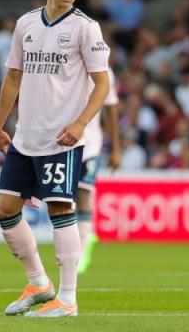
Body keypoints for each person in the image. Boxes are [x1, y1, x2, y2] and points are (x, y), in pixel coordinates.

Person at [0, 0, 110, 317]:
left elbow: (103, 85)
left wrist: (80, 124)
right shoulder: (26, 24)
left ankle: (68, 298)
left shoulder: (86, 28)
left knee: (61, 208)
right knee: (5, 209)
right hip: (25, 137)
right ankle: (39, 283)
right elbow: (13, 76)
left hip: (62, 139)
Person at [76, 67, 120, 274]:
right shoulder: (65, 63)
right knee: (64, 199)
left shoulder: (104, 72)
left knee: (83, 194)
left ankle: (83, 248)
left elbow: (111, 109)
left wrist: (116, 149)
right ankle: (80, 239)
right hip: (62, 142)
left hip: (90, 145)